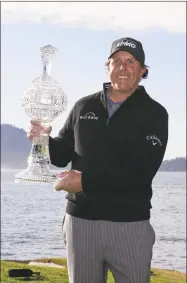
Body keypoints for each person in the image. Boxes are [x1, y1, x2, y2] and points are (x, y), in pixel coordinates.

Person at [28, 37, 168, 283]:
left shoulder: (154, 114)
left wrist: (85, 183)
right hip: (81, 222)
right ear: (108, 66)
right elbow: (62, 155)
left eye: (131, 62)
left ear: (143, 70)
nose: (123, 67)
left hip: (129, 224)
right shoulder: (84, 106)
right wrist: (44, 141)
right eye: (117, 61)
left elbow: (141, 173)